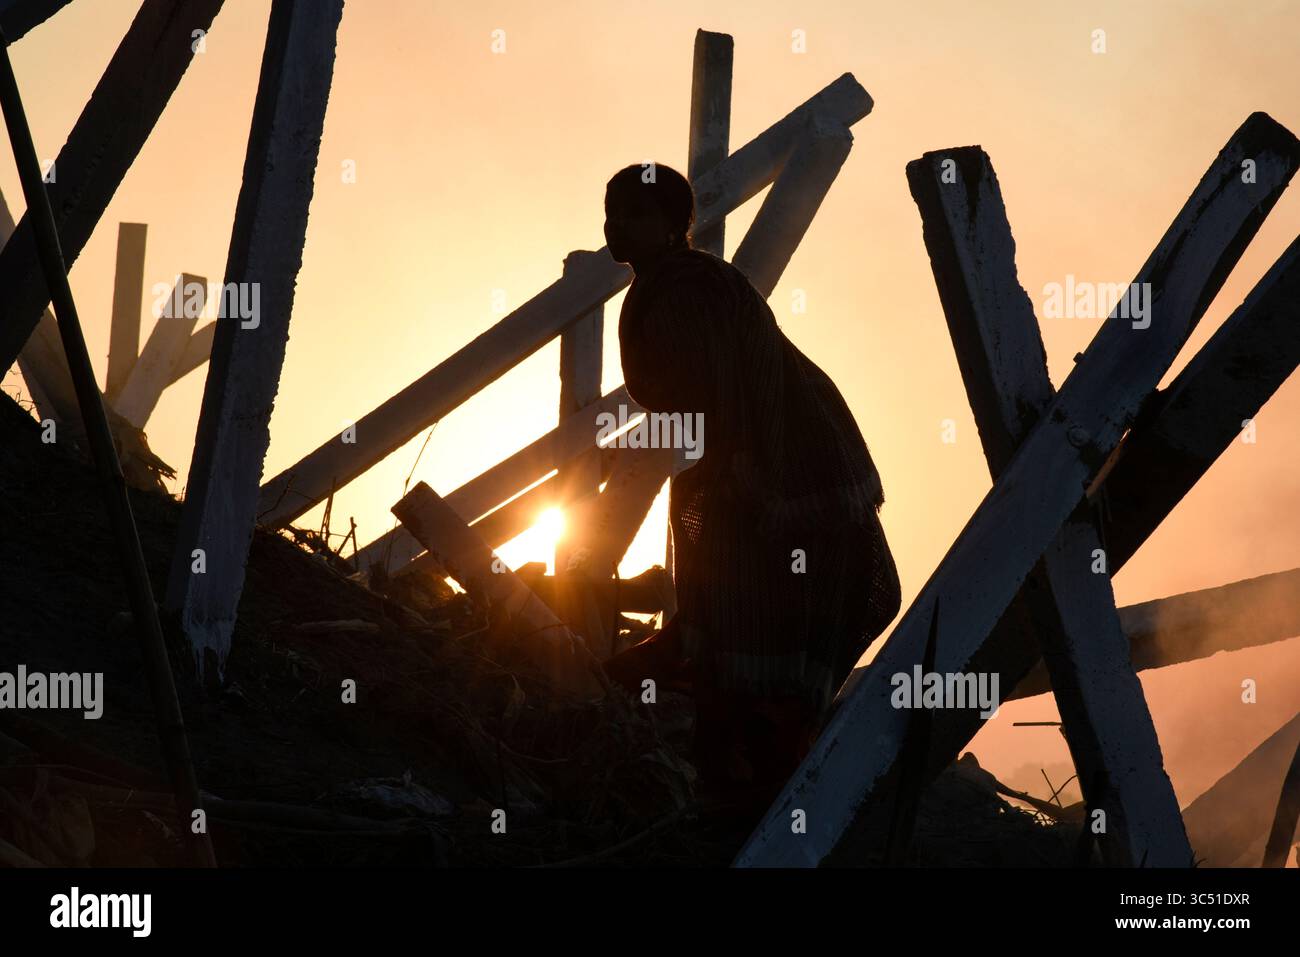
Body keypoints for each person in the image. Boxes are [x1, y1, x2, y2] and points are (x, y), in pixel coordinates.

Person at [601, 162, 901, 798]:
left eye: (633, 213)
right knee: (739, 601)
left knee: (761, 599)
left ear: (672, 226)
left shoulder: (686, 289)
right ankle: (747, 760)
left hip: (782, 464)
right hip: (754, 460)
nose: (615, 225)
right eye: (612, 209)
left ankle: (760, 766)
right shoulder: (671, 284)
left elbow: (721, 391)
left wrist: (741, 469)